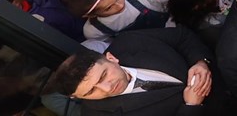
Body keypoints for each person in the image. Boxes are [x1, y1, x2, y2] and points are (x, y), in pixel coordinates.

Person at [45, 27, 215, 115]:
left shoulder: (130, 41)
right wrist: (191, 107)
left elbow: (182, 37)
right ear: (78, 97)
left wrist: (201, 62)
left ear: (111, 58)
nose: (106, 88)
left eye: (103, 75)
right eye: (91, 91)